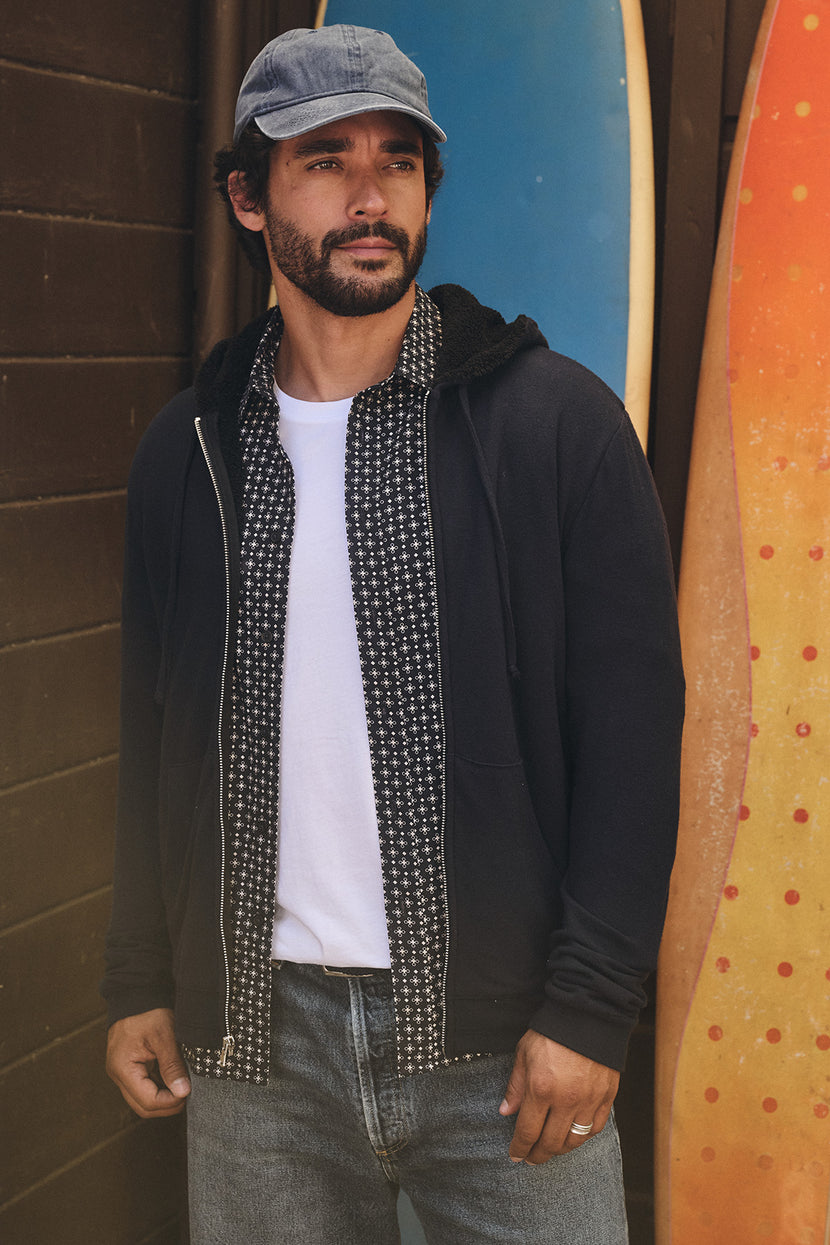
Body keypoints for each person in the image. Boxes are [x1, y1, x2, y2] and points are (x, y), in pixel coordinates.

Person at [103, 24, 684, 1244]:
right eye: (325, 161)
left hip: (505, 1054)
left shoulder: (554, 426)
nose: (370, 198)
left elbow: (633, 741)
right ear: (247, 197)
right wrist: (139, 977)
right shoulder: (191, 446)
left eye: (398, 162)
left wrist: (590, 1009)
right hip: (256, 1052)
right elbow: (152, 732)